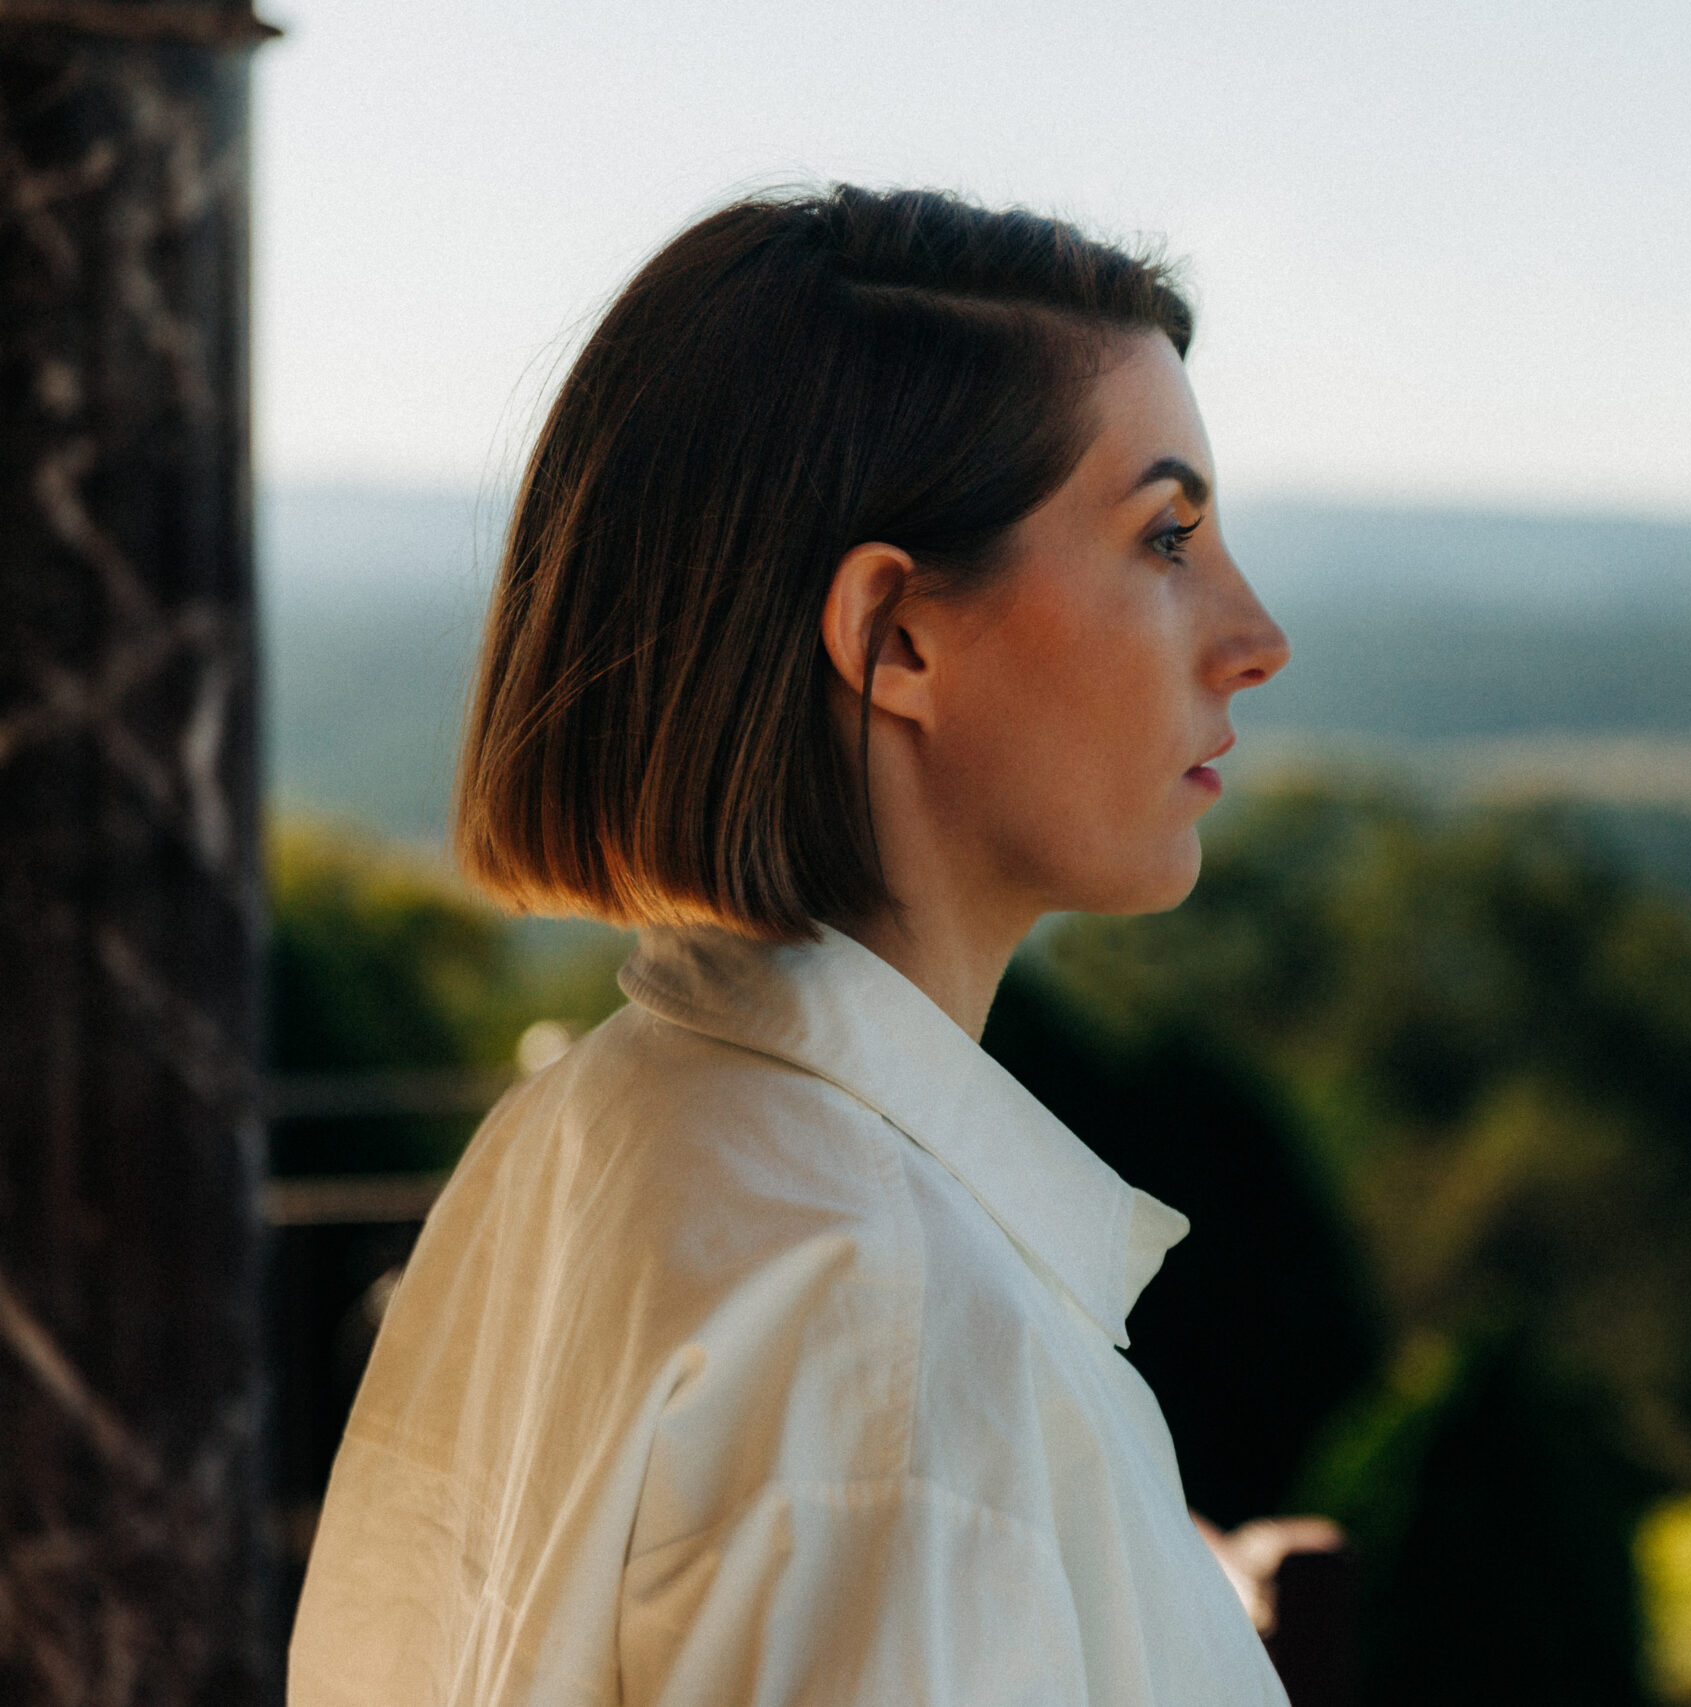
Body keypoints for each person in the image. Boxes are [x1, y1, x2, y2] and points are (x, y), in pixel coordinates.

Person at [288, 186, 1294, 1705]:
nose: (1256, 634)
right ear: (895, 635)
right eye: (1165, 537)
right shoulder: (899, 1359)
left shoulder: (585, 1136)